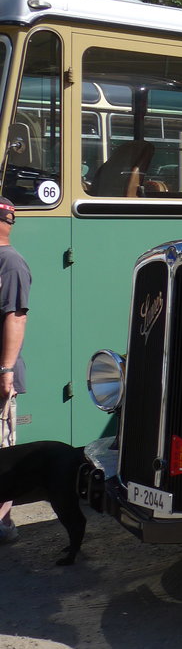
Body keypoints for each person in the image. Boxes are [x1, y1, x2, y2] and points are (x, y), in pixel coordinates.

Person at [0, 196, 31, 544]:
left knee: (3, 455)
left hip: (1, 372)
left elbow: (16, 316)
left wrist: (5, 370)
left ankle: (3, 523)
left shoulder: (11, 262)